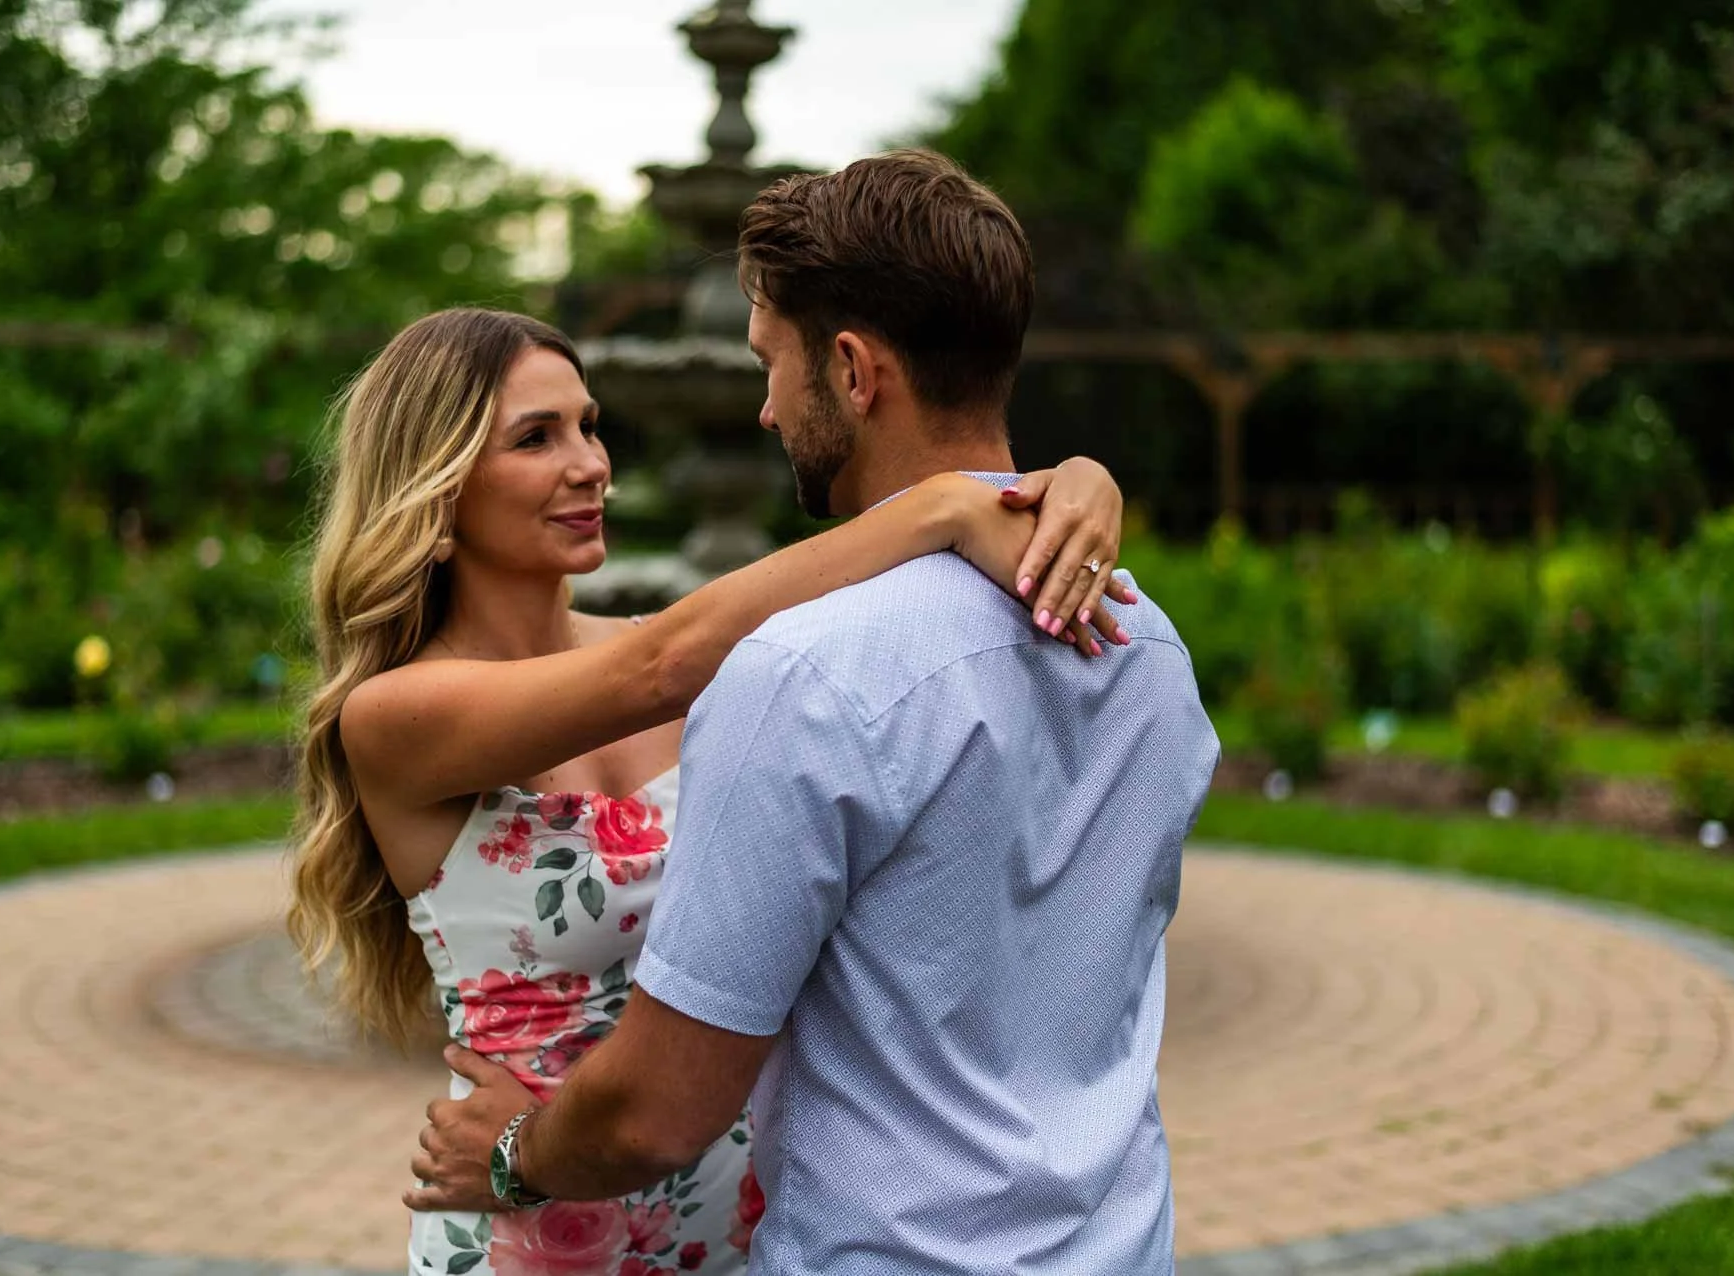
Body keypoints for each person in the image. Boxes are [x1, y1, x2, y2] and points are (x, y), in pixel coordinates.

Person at [407, 151, 1221, 1275]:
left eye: (773, 365)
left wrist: (510, 1151)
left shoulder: (804, 675)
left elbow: (655, 1111)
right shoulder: (1150, 645)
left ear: (852, 370)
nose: (763, 407)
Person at [286, 305, 1138, 1276]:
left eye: (589, 424)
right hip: (535, 1232)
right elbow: (660, 664)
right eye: (536, 437)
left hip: (753, 1231)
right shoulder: (397, 716)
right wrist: (946, 505)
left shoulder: (683, 650)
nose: (591, 464)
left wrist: (1075, 484)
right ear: (433, 488)